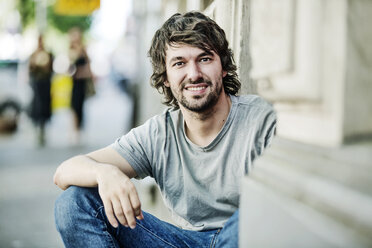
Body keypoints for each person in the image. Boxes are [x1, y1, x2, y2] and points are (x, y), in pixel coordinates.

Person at [54, 11, 276, 247]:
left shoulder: (260, 119)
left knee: (256, 210)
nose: (194, 74)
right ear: (166, 77)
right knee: (74, 203)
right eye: (179, 63)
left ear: (223, 66)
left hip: (243, 237)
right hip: (181, 242)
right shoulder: (159, 134)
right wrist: (104, 173)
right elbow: (63, 172)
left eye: (205, 59)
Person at [68, 27, 93, 143]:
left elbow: (88, 68)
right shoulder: (71, 50)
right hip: (73, 83)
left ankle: (78, 130)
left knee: (80, 106)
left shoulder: (83, 51)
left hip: (81, 83)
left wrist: (81, 73)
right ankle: (75, 130)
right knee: (74, 106)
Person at [28, 35, 53, 146]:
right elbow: (30, 69)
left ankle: (42, 128)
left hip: (45, 83)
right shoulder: (33, 54)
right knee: (37, 105)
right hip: (37, 83)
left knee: (45, 106)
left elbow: (50, 69)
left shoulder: (48, 54)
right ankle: (37, 127)